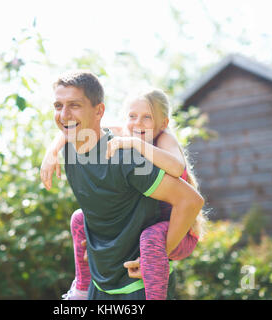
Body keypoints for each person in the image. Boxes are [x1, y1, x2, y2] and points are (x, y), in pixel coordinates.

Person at [44, 71, 204, 300]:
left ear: (162, 123)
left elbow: (184, 183)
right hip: (103, 283)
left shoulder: (151, 145)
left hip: (174, 233)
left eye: (147, 117)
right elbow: (74, 127)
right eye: (58, 105)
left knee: (151, 240)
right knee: (79, 218)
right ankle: (80, 286)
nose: (138, 123)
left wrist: (155, 257)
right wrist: (52, 151)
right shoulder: (107, 140)